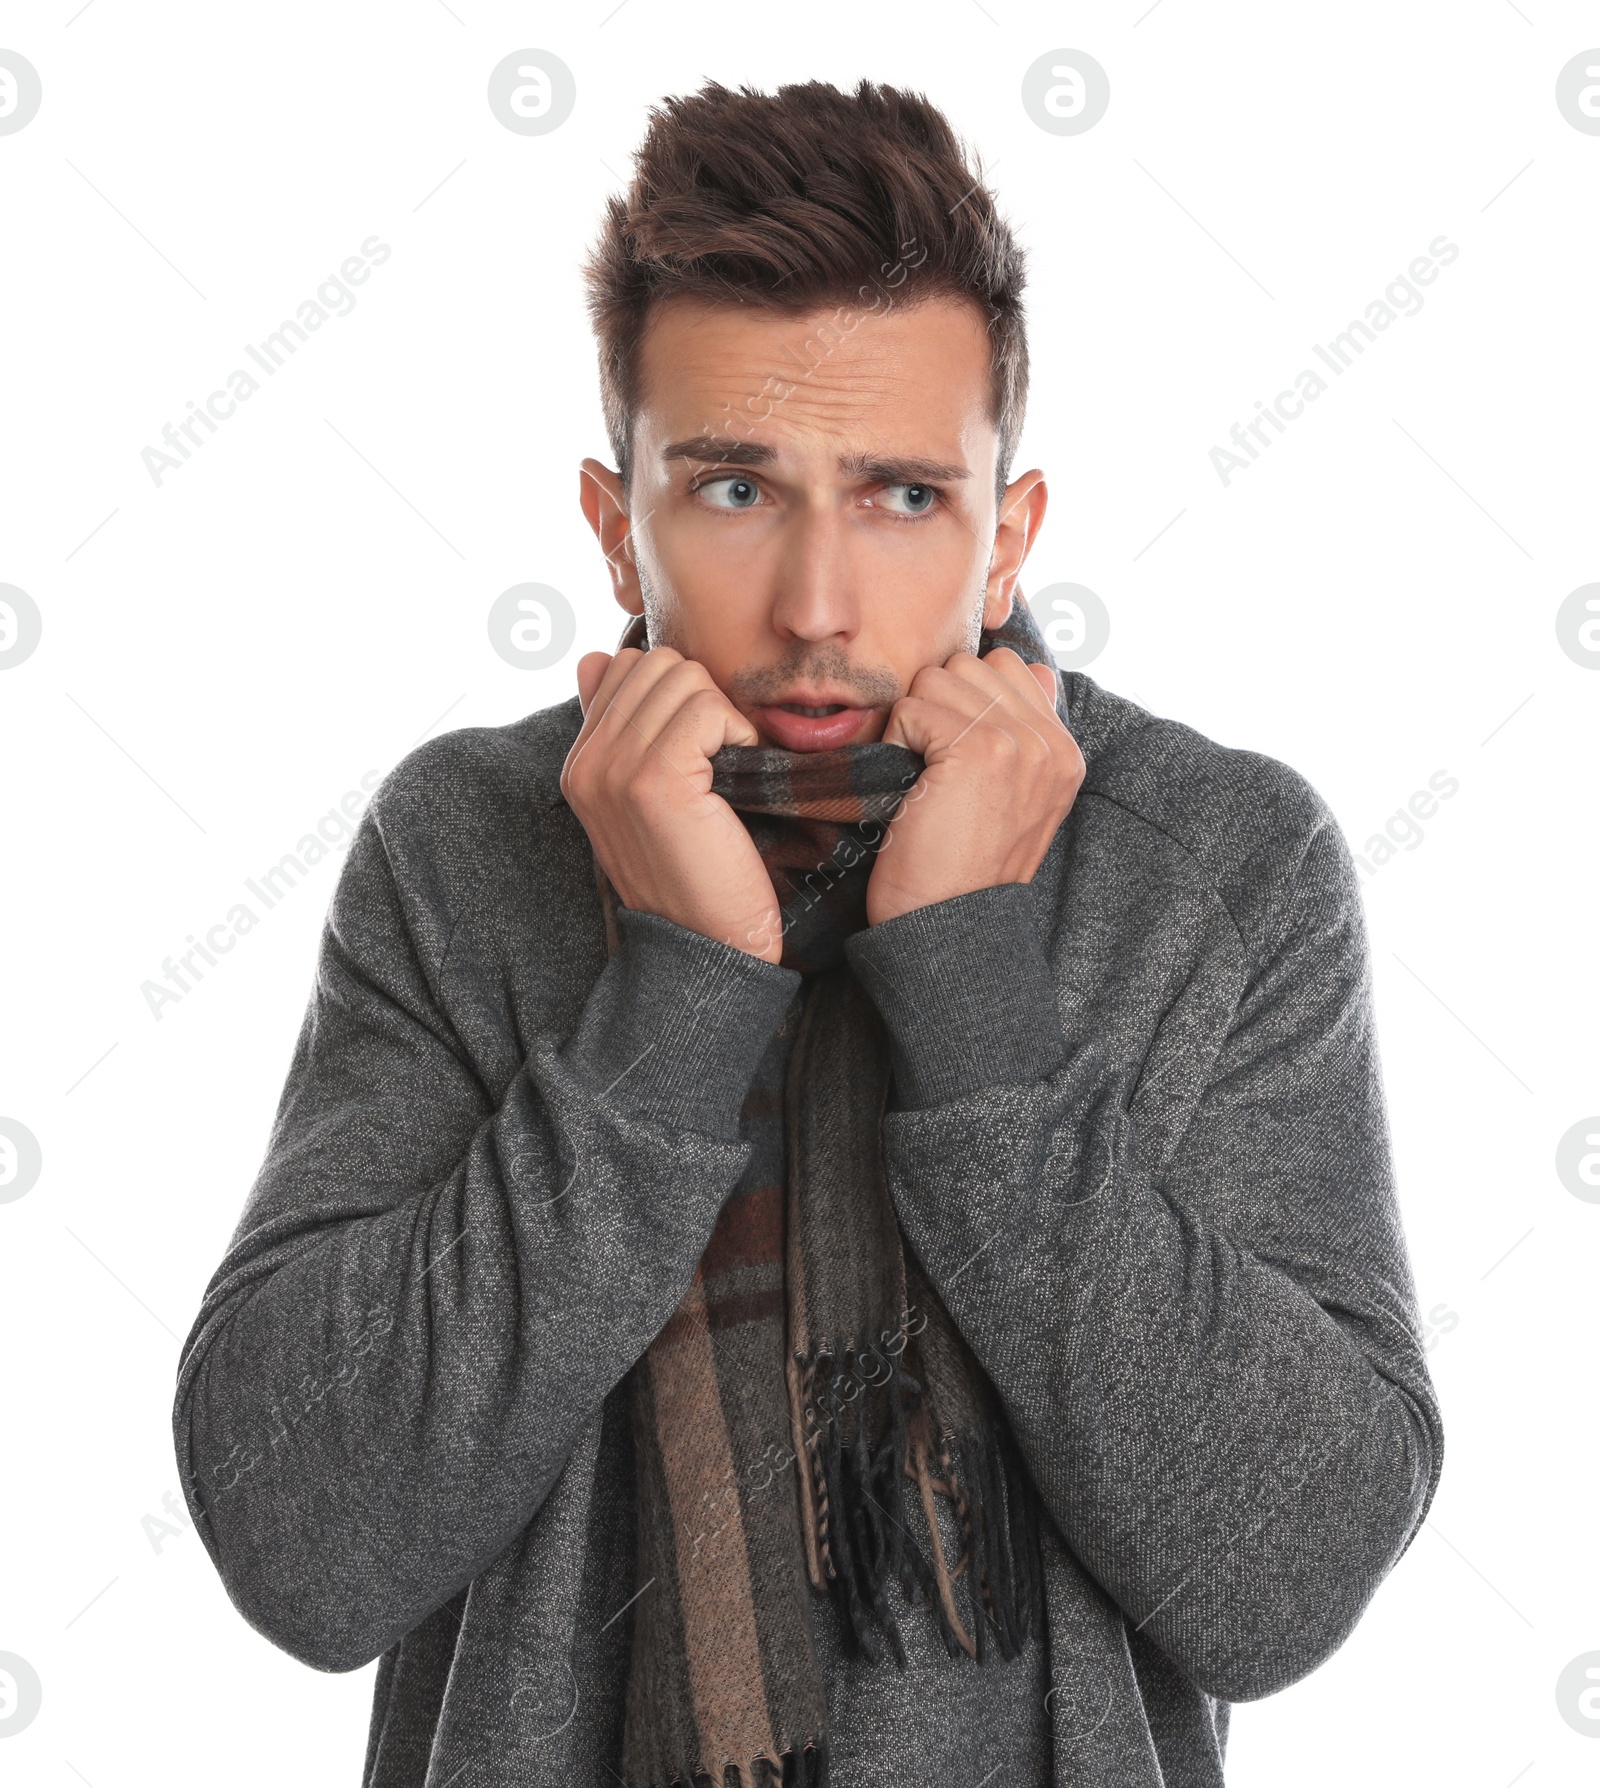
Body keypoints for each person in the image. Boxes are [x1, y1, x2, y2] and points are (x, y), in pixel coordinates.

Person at [172, 77, 1442, 1788]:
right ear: (618, 526)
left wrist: (979, 986)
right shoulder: (470, 847)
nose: (820, 606)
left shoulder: (1215, 863)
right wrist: (670, 1009)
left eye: (906, 496)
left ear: (1011, 539)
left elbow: (1283, 1574)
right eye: (737, 491)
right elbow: (304, 1543)